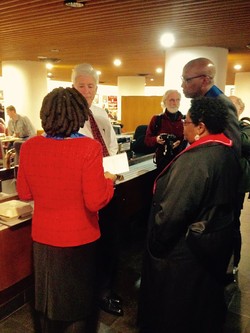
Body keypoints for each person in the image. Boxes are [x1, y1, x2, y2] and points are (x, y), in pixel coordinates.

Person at [17, 87, 117, 333]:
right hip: (78, 239)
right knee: (76, 304)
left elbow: (25, 193)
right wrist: (109, 181)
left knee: (47, 301)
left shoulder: (29, 147)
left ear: (45, 114)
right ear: (79, 114)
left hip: (43, 239)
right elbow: (95, 201)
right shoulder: (88, 148)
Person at [138, 97, 241, 333]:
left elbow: (173, 213)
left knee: (176, 310)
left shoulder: (196, 160)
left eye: (187, 122)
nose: (183, 126)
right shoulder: (226, 150)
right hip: (208, 242)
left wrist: (155, 243)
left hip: (184, 253)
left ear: (201, 127)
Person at [72, 64, 123, 316]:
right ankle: (88, 291)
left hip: (106, 184)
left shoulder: (101, 113)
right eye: (81, 85)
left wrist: (110, 170)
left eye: (90, 85)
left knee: (109, 239)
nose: (86, 90)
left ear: (97, 88)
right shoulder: (66, 116)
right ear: (73, 87)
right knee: (87, 244)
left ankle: (105, 289)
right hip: (81, 192)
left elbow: (111, 145)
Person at [181, 57, 241, 157]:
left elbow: (233, 147)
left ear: (204, 80)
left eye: (187, 80)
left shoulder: (222, 104)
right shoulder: (201, 100)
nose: (182, 85)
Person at [228, 95, 250, 279]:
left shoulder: (245, 128)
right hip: (221, 183)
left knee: (233, 223)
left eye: (231, 107)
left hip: (236, 185)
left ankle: (233, 263)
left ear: (240, 110)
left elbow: (243, 142)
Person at [144, 90, 185, 172]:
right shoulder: (157, 119)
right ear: (164, 102)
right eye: (172, 100)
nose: (175, 103)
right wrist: (157, 139)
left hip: (180, 160)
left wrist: (180, 142)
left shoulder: (185, 120)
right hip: (162, 160)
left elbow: (190, 140)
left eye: (178, 100)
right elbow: (147, 140)